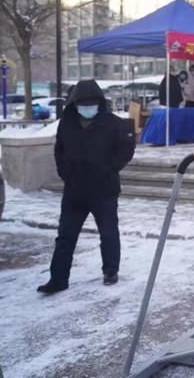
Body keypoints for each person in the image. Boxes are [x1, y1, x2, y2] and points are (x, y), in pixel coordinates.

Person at [37, 79, 136, 294]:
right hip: (74, 191)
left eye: (92, 103)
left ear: (100, 103)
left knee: (108, 233)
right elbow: (59, 150)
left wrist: (110, 168)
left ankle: (110, 270)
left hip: (104, 190)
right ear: (75, 104)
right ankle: (58, 278)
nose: (87, 107)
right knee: (65, 236)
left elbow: (126, 149)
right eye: (83, 103)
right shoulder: (67, 123)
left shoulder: (113, 124)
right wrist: (65, 173)